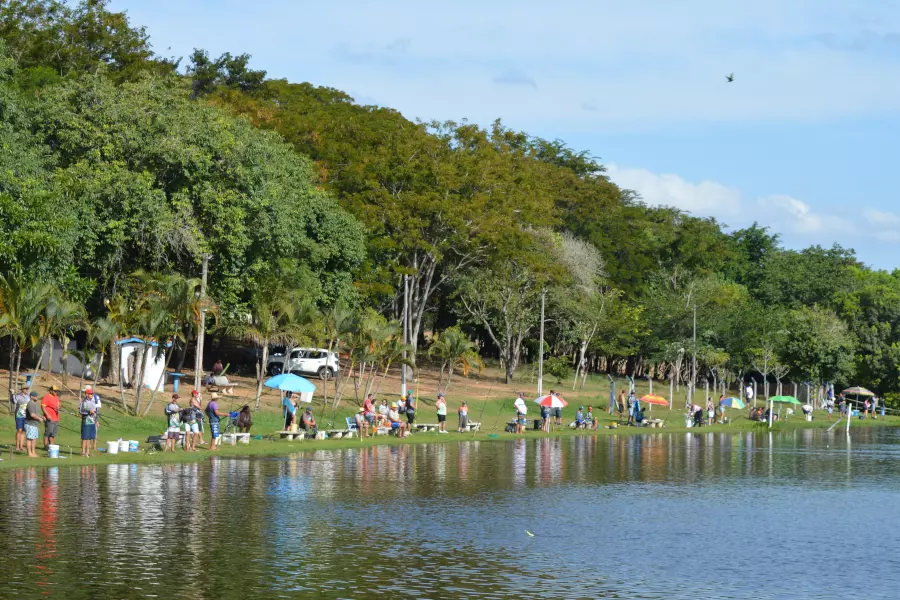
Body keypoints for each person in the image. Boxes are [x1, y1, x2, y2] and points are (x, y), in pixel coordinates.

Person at [24, 391, 44, 458]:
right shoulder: (30, 404)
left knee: (34, 439)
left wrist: (42, 417)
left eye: (37, 396)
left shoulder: (36, 404)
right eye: (35, 396)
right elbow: (32, 415)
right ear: (31, 397)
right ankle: (29, 453)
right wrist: (39, 418)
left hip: (35, 424)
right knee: (29, 439)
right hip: (30, 424)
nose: (36, 397)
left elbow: (37, 414)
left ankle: (33, 452)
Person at [41, 385, 61, 450]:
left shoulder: (57, 397)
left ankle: (51, 446)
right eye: (55, 391)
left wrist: (58, 408)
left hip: (56, 418)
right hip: (49, 418)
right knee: (48, 432)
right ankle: (46, 446)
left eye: (57, 391)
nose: (56, 392)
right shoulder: (46, 397)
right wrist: (47, 415)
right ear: (51, 391)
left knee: (53, 433)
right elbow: (43, 407)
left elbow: (59, 406)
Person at [79, 391, 97, 457]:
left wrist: (96, 420)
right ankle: (83, 452)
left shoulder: (93, 401)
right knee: (85, 437)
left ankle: (88, 452)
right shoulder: (84, 401)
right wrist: (89, 411)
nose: (92, 395)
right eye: (90, 394)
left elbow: (95, 411)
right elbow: (81, 410)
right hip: (86, 420)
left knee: (89, 437)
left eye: (92, 394)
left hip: (92, 420)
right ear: (86, 394)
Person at [13, 386, 29, 452]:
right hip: (19, 415)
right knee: (19, 430)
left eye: (27, 389)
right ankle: (17, 446)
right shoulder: (18, 396)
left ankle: (21, 446)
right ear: (22, 390)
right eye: (25, 389)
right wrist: (13, 394)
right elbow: (14, 402)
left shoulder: (28, 396)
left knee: (23, 431)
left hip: (27, 416)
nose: (27, 390)